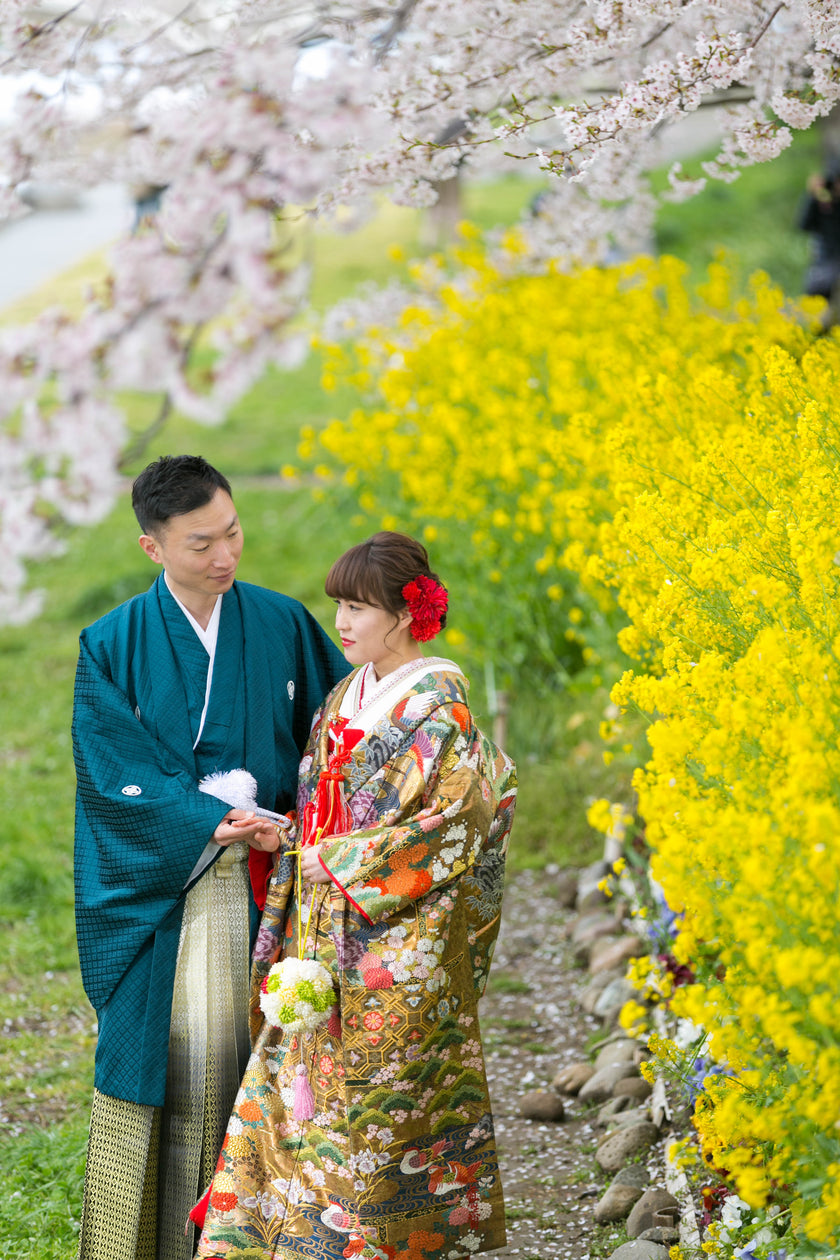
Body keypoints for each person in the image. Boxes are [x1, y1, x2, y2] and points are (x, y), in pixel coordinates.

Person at [195, 531, 517, 1260]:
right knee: (297, 1090)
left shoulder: (441, 710)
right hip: (323, 925)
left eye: (358, 607)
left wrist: (322, 855)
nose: (340, 621)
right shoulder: (349, 692)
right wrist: (288, 836)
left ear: (406, 614)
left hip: (395, 939)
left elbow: (452, 827)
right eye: (338, 603)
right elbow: (326, 809)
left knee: (384, 1110)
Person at [72, 455, 348, 1260]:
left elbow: (332, 747)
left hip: (275, 872)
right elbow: (108, 770)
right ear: (152, 548)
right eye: (201, 544)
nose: (225, 556)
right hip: (180, 881)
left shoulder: (281, 622)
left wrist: (289, 826)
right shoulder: (112, 642)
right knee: (189, 1053)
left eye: (231, 532)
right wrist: (200, 817)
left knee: (280, 1055)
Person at [799, 162, 840, 325]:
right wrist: (812, 197)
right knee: (817, 287)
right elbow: (803, 225)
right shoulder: (822, 199)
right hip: (827, 256)